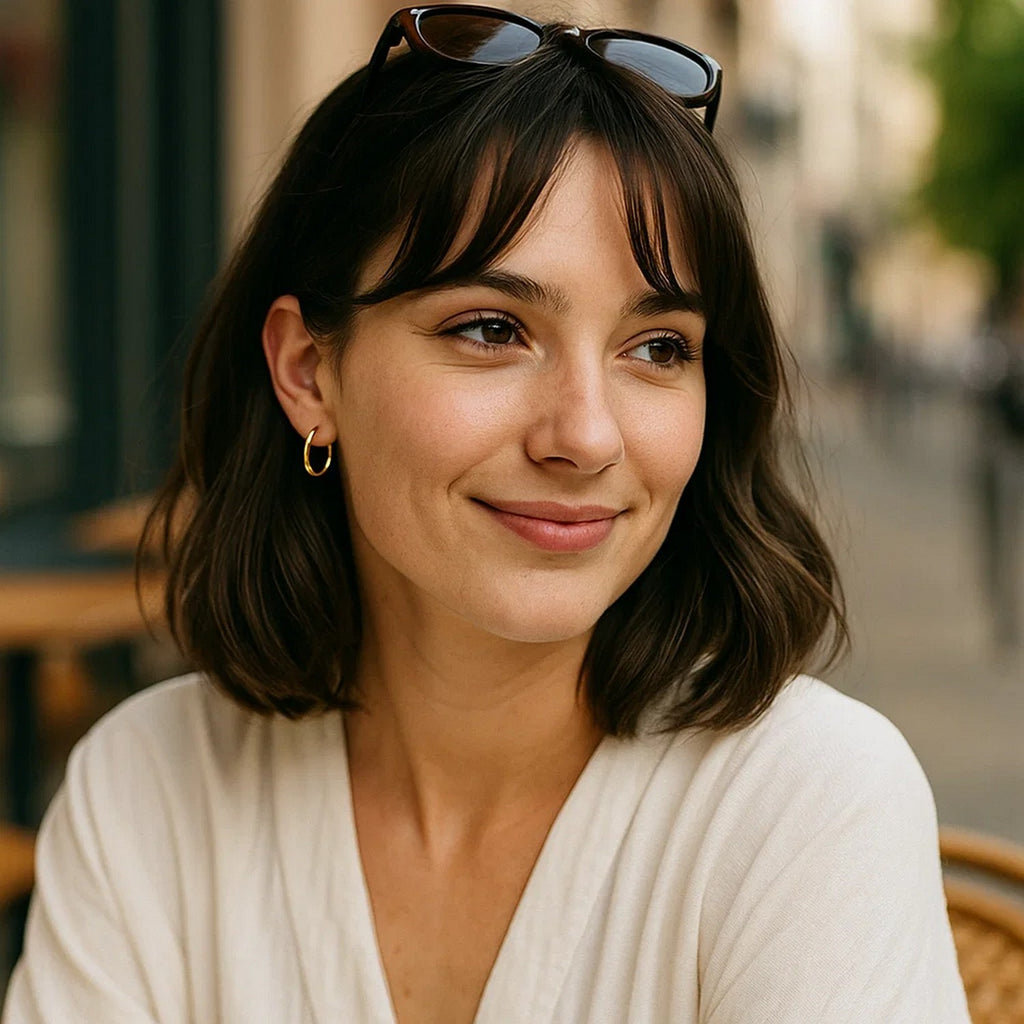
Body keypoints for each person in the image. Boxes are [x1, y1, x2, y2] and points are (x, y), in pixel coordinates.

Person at [4, 6, 970, 1022]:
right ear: (307, 369)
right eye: (490, 328)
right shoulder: (149, 788)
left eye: (657, 348)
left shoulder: (805, 804)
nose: (585, 435)